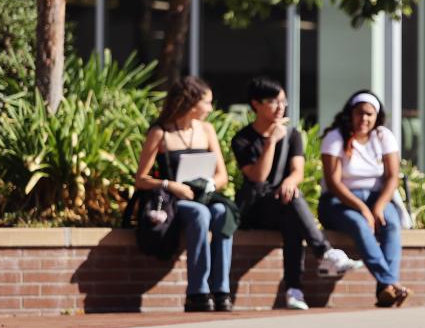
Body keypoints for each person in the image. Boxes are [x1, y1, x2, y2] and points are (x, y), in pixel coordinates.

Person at [232, 77, 363, 311]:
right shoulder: (242, 139)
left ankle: (294, 291)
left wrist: (291, 182)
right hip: (255, 209)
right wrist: (271, 141)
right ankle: (324, 254)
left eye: (283, 101)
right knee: (290, 207)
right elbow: (258, 177)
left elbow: (297, 171)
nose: (280, 107)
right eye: (273, 101)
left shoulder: (292, 135)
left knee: (291, 213)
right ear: (256, 104)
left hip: (283, 203)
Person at [135, 76, 235, 312]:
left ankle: (221, 289)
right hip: (174, 200)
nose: (210, 109)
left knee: (222, 211)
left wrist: (209, 184)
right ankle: (197, 292)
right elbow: (141, 179)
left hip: (204, 195)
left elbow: (223, 176)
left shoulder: (207, 131)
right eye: (207, 103)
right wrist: (171, 185)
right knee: (200, 214)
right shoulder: (160, 132)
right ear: (190, 103)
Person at [318, 90, 412, 308]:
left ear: (376, 117)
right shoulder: (335, 137)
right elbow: (333, 182)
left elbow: (392, 177)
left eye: (369, 114)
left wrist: (378, 207)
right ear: (350, 114)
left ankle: (385, 290)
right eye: (360, 113)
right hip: (339, 201)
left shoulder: (383, 136)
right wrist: (363, 208)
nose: (364, 119)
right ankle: (391, 282)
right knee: (360, 225)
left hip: (377, 198)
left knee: (391, 223)